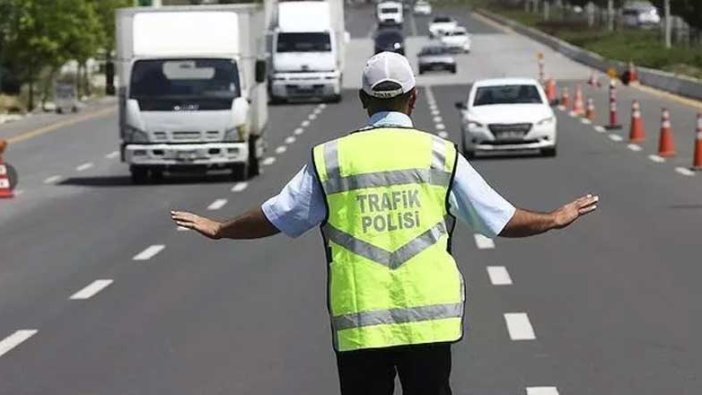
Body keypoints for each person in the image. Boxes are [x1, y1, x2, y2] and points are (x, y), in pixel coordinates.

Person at [171, 52, 599, 395]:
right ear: (412, 99)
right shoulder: (439, 155)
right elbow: (499, 219)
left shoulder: (332, 159)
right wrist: (553, 219)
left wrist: (221, 228)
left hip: (361, 324)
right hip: (429, 323)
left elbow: (277, 215)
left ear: (363, 100)